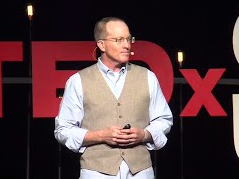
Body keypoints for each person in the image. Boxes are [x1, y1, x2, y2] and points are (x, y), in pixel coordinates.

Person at [54, 16, 173, 179]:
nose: (126, 45)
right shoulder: (78, 81)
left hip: (140, 171)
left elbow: (164, 120)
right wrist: (101, 135)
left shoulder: (147, 77)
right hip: (96, 172)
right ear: (101, 44)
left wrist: (144, 134)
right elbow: (63, 130)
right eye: (118, 40)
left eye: (128, 39)